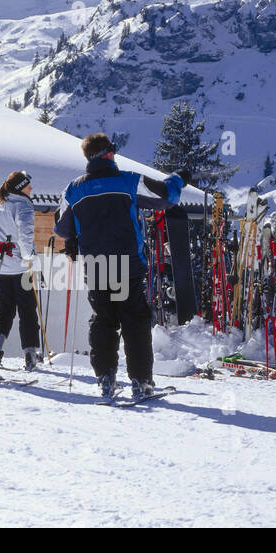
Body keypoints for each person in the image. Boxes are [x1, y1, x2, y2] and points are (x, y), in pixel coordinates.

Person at [53, 133, 183, 400]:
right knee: (134, 320)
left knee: (103, 321)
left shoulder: (72, 190)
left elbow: (61, 227)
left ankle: (106, 379)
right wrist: (179, 177)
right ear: (110, 154)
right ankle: (140, 381)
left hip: (96, 264)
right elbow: (166, 197)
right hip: (127, 262)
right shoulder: (128, 181)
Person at [0, 169, 42, 370]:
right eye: (28, 185)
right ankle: (31, 353)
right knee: (27, 310)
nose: (31, 188)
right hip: (22, 268)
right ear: (21, 188)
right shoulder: (23, 206)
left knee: (4, 309)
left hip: (1, 266)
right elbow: (25, 234)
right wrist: (29, 257)